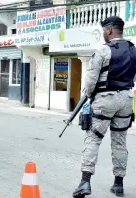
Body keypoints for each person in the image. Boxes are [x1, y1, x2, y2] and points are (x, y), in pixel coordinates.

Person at [72, 16, 136, 198]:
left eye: (103, 31)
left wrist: (89, 97)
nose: (103, 35)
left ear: (109, 30)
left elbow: (91, 81)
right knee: (120, 141)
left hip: (104, 99)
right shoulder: (133, 50)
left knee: (93, 139)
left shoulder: (103, 50)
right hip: (126, 99)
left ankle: (85, 182)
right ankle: (118, 184)